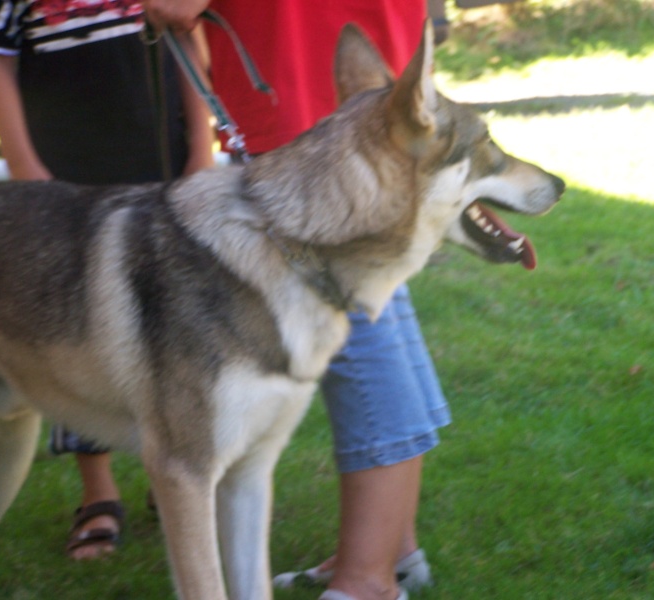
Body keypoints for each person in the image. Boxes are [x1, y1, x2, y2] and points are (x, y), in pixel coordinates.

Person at [144, 2, 448, 600]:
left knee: (363, 355)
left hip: (311, 126)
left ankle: (368, 581)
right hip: (377, 108)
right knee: (385, 324)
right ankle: (391, 548)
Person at [0, 0, 214, 560]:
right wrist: (26, 168)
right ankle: (98, 490)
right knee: (82, 333)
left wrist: (201, 148)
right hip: (65, 184)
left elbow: (187, 39)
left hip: (163, 166)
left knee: (178, 330)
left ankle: (176, 471)